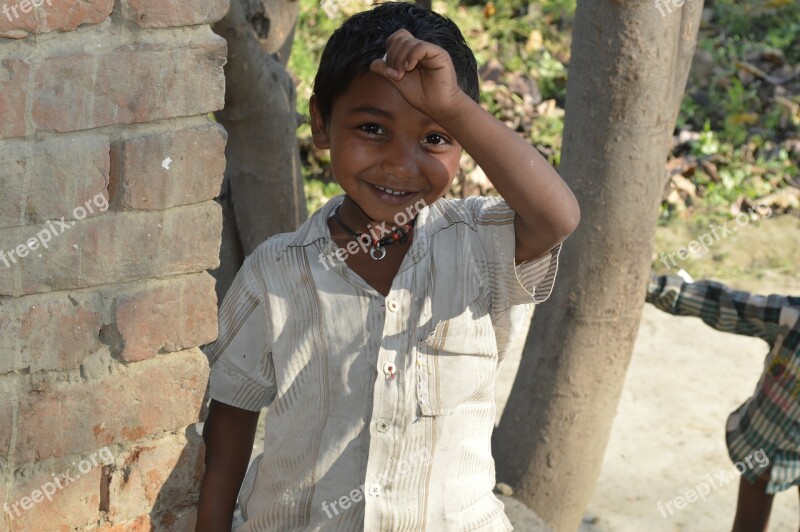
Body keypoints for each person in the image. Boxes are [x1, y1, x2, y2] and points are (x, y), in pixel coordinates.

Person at [196, 2, 580, 530]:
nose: (402, 163)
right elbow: (231, 421)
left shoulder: (476, 246)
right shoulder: (277, 272)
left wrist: (455, 106)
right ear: (321, 125)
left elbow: (557, 216)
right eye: (373, 128)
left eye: (436, 137)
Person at [646, 274, 800, 531]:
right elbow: (726, 305)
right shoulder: (792, 318)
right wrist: (653, 286)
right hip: (760, 441)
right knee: (747, 526)